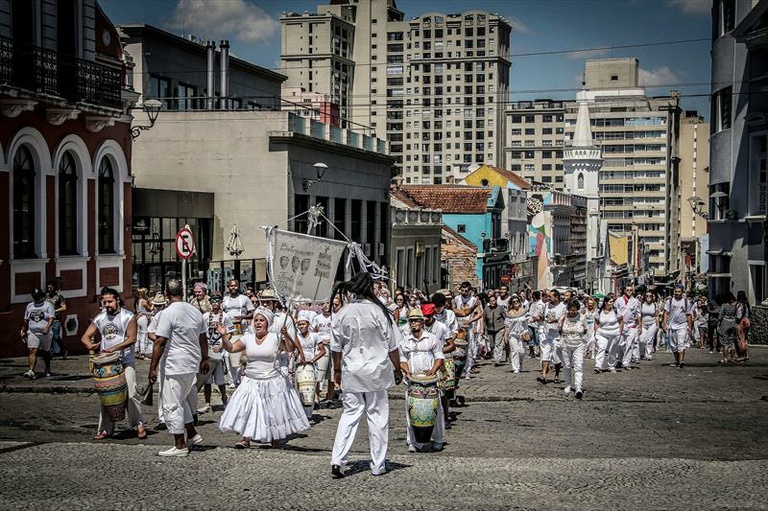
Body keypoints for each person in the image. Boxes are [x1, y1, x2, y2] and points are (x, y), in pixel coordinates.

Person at [329, 272, 404, 479]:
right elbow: (392, 346)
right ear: (370, 288)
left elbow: (335, 347)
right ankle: (378, 464)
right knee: (377, 416)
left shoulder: (342, 313)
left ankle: (337, 459)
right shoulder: (380, 312)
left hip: (351, 371)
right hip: (376, 371)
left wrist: (336, 370)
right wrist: (397, 369)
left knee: (350, 414)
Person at [218, 307, 309, 448]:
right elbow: (231, 348)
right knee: (248, 408)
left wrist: (286, 335)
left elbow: (290, 349)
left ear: (268, 323)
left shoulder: (275, 337)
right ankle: (245, 438)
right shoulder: (247, 338)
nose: (258, 323)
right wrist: (224, 336)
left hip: (272, 379)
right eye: (256, 320)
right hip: (251, 379)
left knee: (273, 410)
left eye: (262, 320)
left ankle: (276, 437)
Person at [148, 279, 209, 457]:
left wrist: (153, 367)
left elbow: (159, 341)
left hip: (175, 364)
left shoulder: (167, 313)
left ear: (166, 294)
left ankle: (179, 445)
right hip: (192, 363)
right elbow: (203, 337)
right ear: (182, 293)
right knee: (181, 401)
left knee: (172, 404)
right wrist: (204, 358)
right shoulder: (195, 311)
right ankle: (192, 434)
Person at [81, 287, 146, 440]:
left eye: (110, 301)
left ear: (117, 300)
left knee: (131, 392)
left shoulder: (128, 316)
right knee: (107, 394)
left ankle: (139, 424)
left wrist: (113, 349)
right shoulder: (100, 318)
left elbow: (132, 338)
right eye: (105, 302)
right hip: (107, 362)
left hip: (125, 359)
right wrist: (89, 345)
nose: (107, 305)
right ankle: (105, 429)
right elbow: (85, 336)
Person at [399, 308, 445, 453]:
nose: (414, 323)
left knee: (436, 410)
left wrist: (433, 370)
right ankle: (412, 441)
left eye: (416, 320)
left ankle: (438, 439)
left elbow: (439, 356)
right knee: (411, 411)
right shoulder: (405, 341)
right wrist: (407, 371)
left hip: (430, 381)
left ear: (422, 322)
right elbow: (402, 359)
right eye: (411, 321)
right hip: (413, 381)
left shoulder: (431, 338)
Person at [197, 291, 233, 414]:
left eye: (217, 301)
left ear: (221, 302)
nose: (215, 303)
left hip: (219, 349)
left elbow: (230, 332)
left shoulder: (226, 316)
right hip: (208, 349)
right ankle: (207, 403)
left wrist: (222, 344)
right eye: (213, 301)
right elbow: (201, 332)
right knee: (207, 379)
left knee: (220, 379)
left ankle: (224, 398)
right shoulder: (205, 316)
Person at [293, 310, 327, 418]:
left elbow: (323, 351)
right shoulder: (296, 336)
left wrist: (312, 360)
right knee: (299, 388)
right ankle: (301, 413)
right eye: (299, 324)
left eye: (303, 324)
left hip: (311, 365)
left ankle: (309, 414)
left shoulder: (315, 336)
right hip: (299, 364)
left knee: (310, 389)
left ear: (308, 324)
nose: (301, 326)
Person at [222, 279, 255, 387]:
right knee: (228, 354)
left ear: (238, 286)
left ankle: (240, 377)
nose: (233, 288)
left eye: (235, 286)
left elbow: (252, 313)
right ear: (228, 287)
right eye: (231, 286)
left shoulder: (244, 299)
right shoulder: (225, 300)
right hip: (229, 329)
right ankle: (232, 380)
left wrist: (243, 317)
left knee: (242, 354)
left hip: (242, 328)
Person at [20, 288, 55, 379]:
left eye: (38, 297)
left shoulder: (48, 305)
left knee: (46, 351)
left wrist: (47, 328)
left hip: (45, 333)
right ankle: (31, 370)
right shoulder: (30, 306)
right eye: (35, 297)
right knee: (32, 350)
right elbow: (26, 319)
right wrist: (23, 330)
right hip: (33, 332)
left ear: (42, 297)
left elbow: (51, 318)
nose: (37, 299)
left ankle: (47, 367)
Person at [452, 282, 483, 379]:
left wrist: (470, 320)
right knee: (456, 348)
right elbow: (453, 310)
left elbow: (480, 313)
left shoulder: (474, 300)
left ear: (470, 291)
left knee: (469, 349)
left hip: (468, 326)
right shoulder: (456, 299)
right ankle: (456, 370)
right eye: (462, 290)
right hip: (458, 326)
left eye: (466, 291)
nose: (464, 292)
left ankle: (468, 371)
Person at [559, 299, 588, 399]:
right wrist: (563, 339)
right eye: (571, 310)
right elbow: (559, 329)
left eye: (575, 310)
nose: (573, 312)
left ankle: (578, 387)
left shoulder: (582, 318)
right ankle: (568, 384)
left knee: (578, 366)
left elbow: (586, 329)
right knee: (567, 365)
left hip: (578, 344)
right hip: (566, 344)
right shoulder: (564, 317)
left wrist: (583, 341)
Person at [537, 289, 565, 384]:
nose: (548, 298)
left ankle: (556, 375)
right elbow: (542, 317)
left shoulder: (563, 307)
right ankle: (544, 375)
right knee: (545, 354)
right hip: (546, 334)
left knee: (557, 357)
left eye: (550, 297)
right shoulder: (546, 306)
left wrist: (556, 320)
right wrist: (538, 317)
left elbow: (565, 320)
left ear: (556, 297)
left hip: (557, 335)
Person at [662, 284, 693, 368]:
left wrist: (690, 327)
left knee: (681, 343)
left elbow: (688, 315)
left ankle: (681, 361)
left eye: (679, 292)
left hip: (682, 325)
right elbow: (666, 313)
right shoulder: (670, 301)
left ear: (682, 292)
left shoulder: (686, 302)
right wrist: (665, 323)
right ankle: (677, 360)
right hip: (672, 326)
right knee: (674, 345)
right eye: (676, 291)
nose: (677, 293)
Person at [615, 285, 641, 369]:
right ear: (625, 291)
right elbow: (614, 311)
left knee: (629, 344)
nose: (629, 291)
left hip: (632, 325)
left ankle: (626, 363)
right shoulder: (619, 300)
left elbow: (639, 313)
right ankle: (620, 360)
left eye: (630, 290)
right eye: (627, 290)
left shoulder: (636, 301)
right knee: (620, 344)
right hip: (621, 324)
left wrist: (640, 325)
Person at [594, 296, 623, 374]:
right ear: (605, 303)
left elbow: (621, 321)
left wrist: (619, 332)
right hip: (602, 333)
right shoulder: (599, 311)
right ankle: (598, 365)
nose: (612, 303)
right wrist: (596, 332)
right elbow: (596, 322)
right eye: (610, 302)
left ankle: (611, 366)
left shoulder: (616, 310)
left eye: (613, 301)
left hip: (614, 333)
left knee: (612, 350)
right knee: (601, 347)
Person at [505, 294, 530, 374]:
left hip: (522, 334)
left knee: (522, 351)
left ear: (519, 302)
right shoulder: (509, 313)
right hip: (512, 334)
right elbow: (507, 325)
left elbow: (530, 319)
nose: (516, 303)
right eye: (514, 302)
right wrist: (505, 335)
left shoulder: (524, 311)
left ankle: (520, 362)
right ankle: (515, 368)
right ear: (511, 303)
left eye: (517, 301)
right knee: (514, 351)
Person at [46, 279, 67, 359]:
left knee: (56, 336)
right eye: (48, 287)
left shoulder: (59, 296)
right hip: (47, 319)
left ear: (54, 287)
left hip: (56, 319)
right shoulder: (46, 296)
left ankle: (63, 349)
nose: (49, 289)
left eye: (51, 287)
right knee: (48, 336)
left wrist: (54, 311)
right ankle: (50, 353)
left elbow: (64, 307)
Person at [484, 295, 507, 365]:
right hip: (490, 329)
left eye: (493, 300)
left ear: (496, 301)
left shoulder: (500, 308)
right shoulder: (486, 309)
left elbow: (505, 317)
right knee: (492, 345)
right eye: (490, 301)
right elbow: (484, 319)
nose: (492, 302)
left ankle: (497, 359)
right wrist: (483, 328)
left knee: (498, 344)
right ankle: (495, 356)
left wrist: (506, 327)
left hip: (499, 328)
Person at [717, 292, 738, 365]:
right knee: (732, 341)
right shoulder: (735, 306)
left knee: (725, 342)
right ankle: (732, 358)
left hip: (725, 323)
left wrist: (718, 325)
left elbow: (720, 316)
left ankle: (725, 358)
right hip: (733, 322)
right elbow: (736, 315)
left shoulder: (724, 305)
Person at [639, 291, 659, 361]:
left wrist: (657, 325)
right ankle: (641, 353)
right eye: (647, 296)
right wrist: (639, 325)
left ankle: (648, 355)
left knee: (649, 340)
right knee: (642, 340)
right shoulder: (641, 304)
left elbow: (656, 315)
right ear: (644, 297)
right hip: (643, 324)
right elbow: (639, 316)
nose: (648, 297)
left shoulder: (655, 305)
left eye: (650, 296)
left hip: (652, 324)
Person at [135, 287, 152, 360]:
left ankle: (136, 351)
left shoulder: (138, 301)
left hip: (138, 318)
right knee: (144, 335)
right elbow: (150, 309)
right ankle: (142, 353)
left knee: (138, 335)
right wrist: (153, 303)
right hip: (143, 318)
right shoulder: (144, 301)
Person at [735, 290, 751, 362]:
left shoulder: (739, 304)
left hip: (741, 322)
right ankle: (746, 355)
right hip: (747, 321)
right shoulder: (746, 303)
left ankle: (741, 355)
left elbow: (738, 315)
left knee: (740, 339)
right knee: (745, 339)